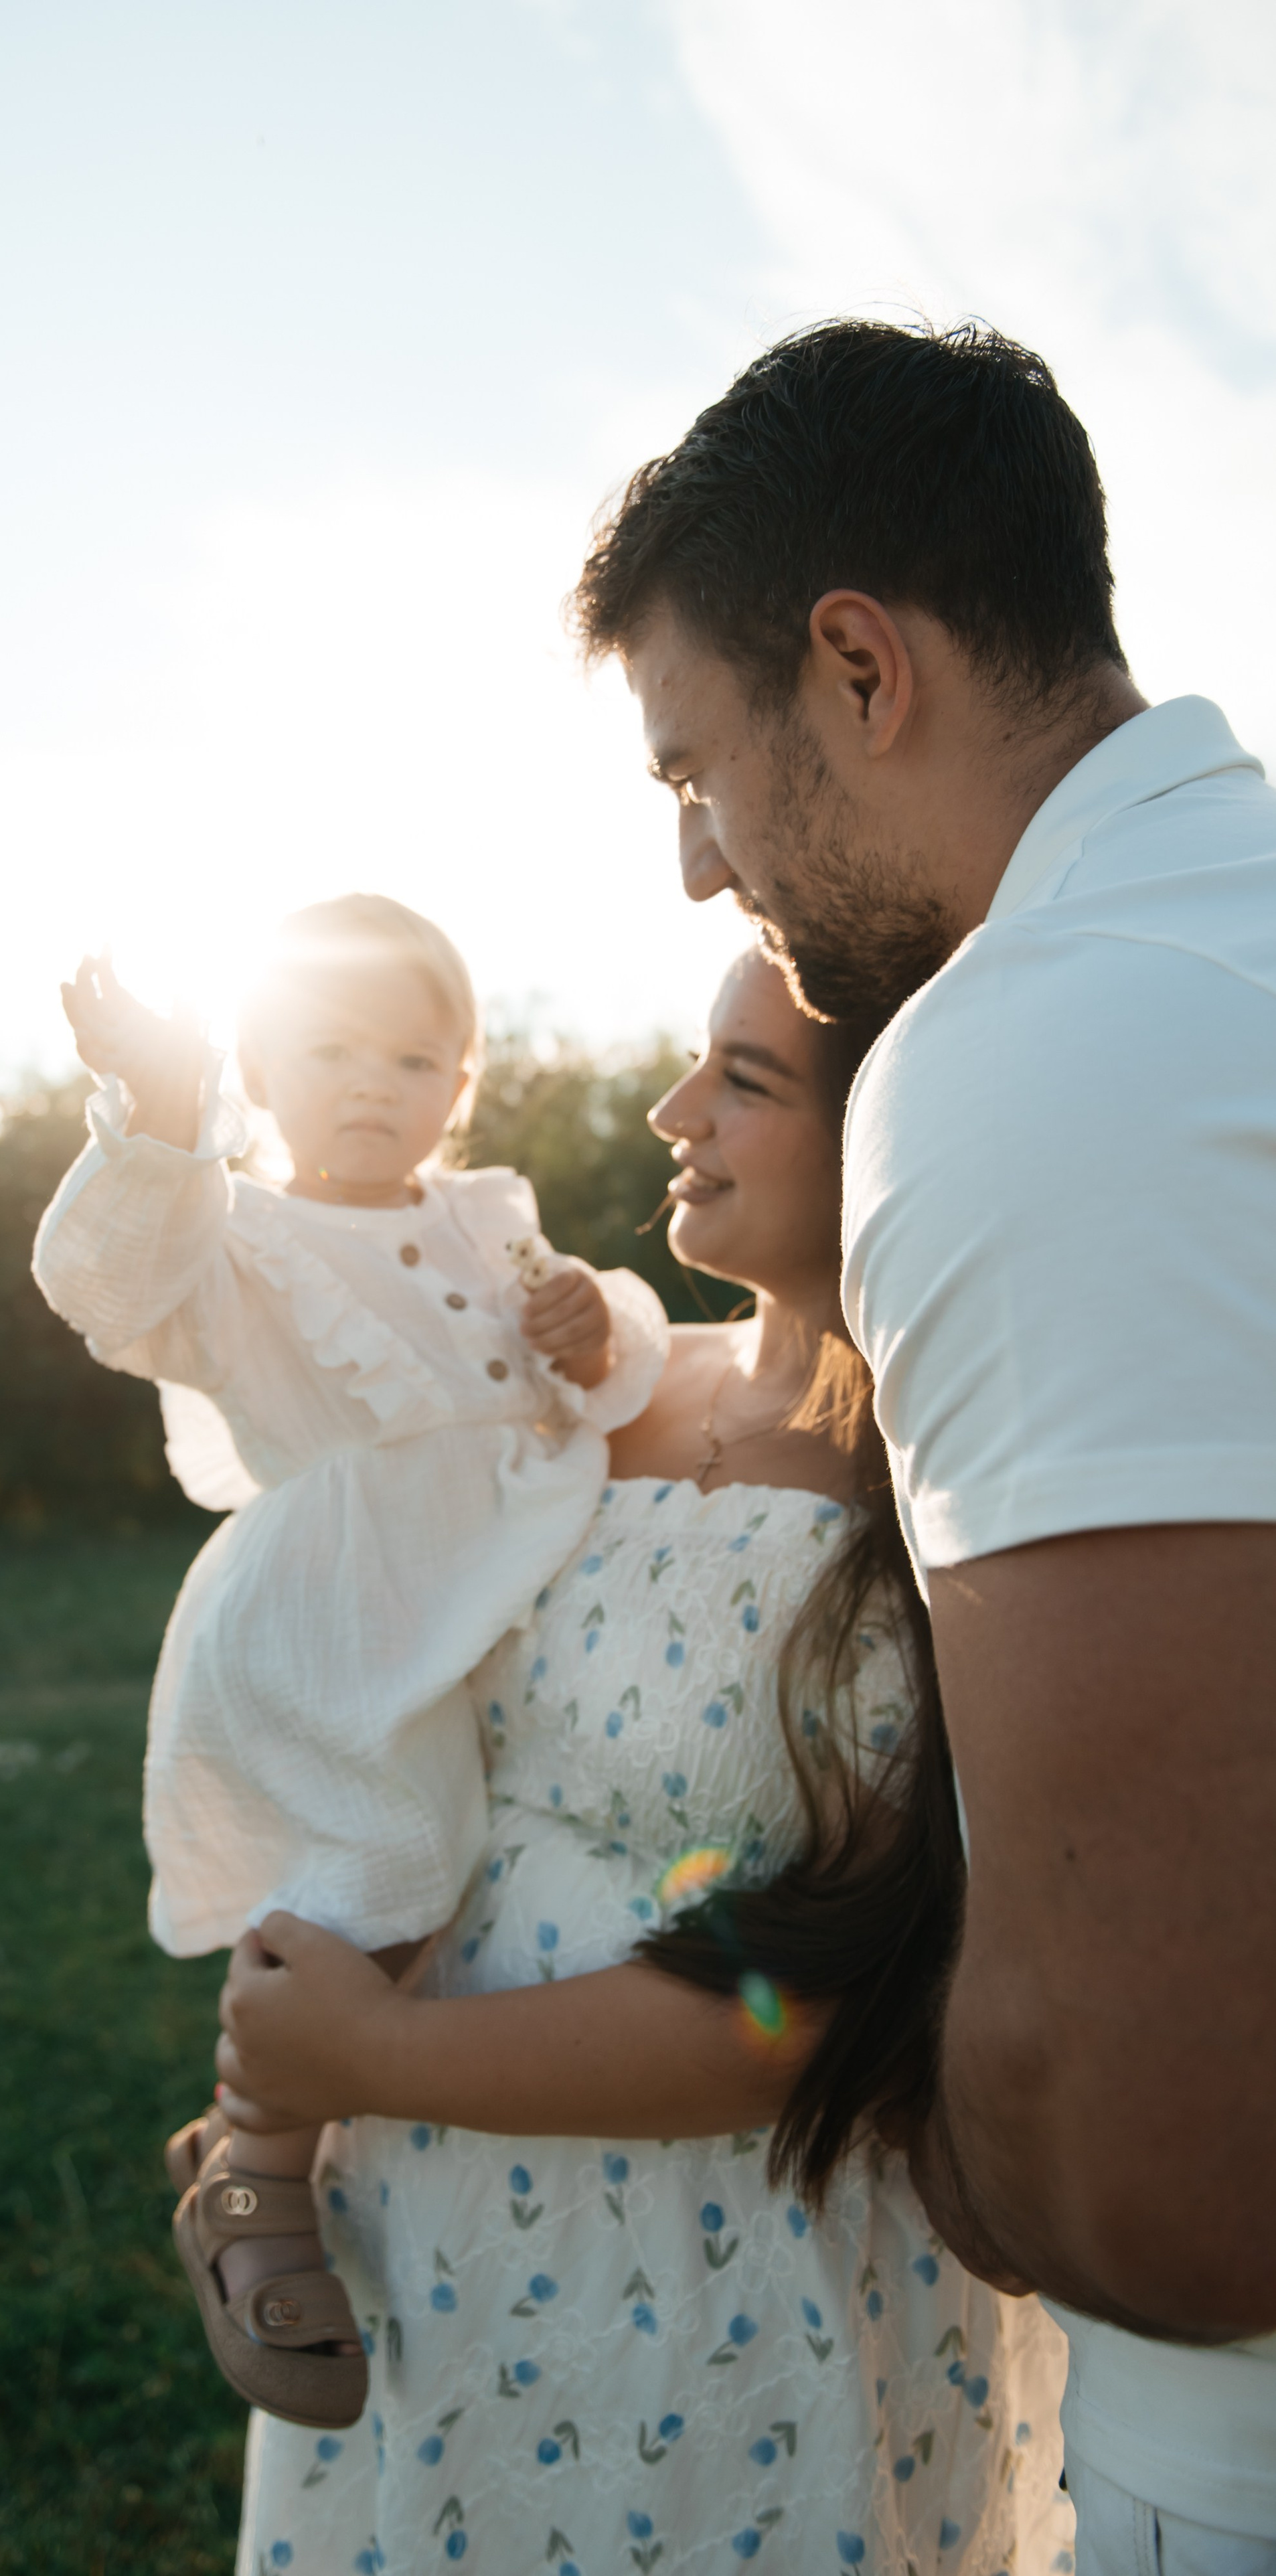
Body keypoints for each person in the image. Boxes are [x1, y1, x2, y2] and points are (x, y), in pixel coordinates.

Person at [572, 316, 1276, 2571]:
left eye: (697, 767)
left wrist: (963, 2147)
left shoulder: (1026, 1053)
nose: (701, 863)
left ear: (859, 668)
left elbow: (1165, 2160)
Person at [218, 949, 1072, 2575]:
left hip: (738, 2276)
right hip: (432, 2225)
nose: (671, 1108)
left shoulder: (949, 1479)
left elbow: (819, 2000)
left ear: (897, 1126)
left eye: (742, 1080)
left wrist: (360, 2059)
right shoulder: (577, 1389)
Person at [30, 892, 669, 2428]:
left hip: (465, 1596)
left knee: (427, 1878)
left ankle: (267, 2132)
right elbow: (107, 1288)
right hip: (327, 1623)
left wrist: (596, 1327)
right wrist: (165, 1112)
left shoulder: (483, 1218)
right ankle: (248, 2165)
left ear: (461, 1085)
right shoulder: (234, 1237)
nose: (373, 1084)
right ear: (256, 1065)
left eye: (412, 1056)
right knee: (388, 1861)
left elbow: (607, 1352)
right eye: (329, 1049)